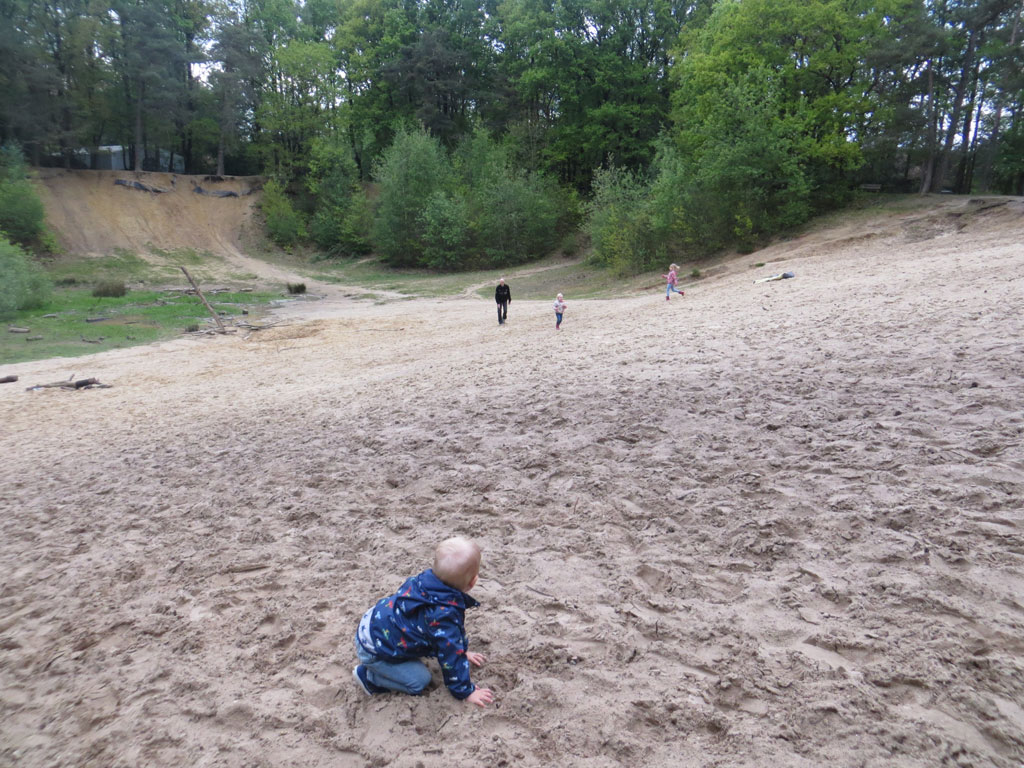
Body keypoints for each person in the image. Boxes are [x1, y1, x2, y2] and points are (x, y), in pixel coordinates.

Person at [353, 537, 495, 708]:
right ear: (473, 582)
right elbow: (450, 655)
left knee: (439, 638)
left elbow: (452, 637)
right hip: (375, 649)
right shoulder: (443, 615)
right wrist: (466, 691)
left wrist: (462, 651)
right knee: (419, 681)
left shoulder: (423, 581)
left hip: (372, 623)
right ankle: (369, 678)